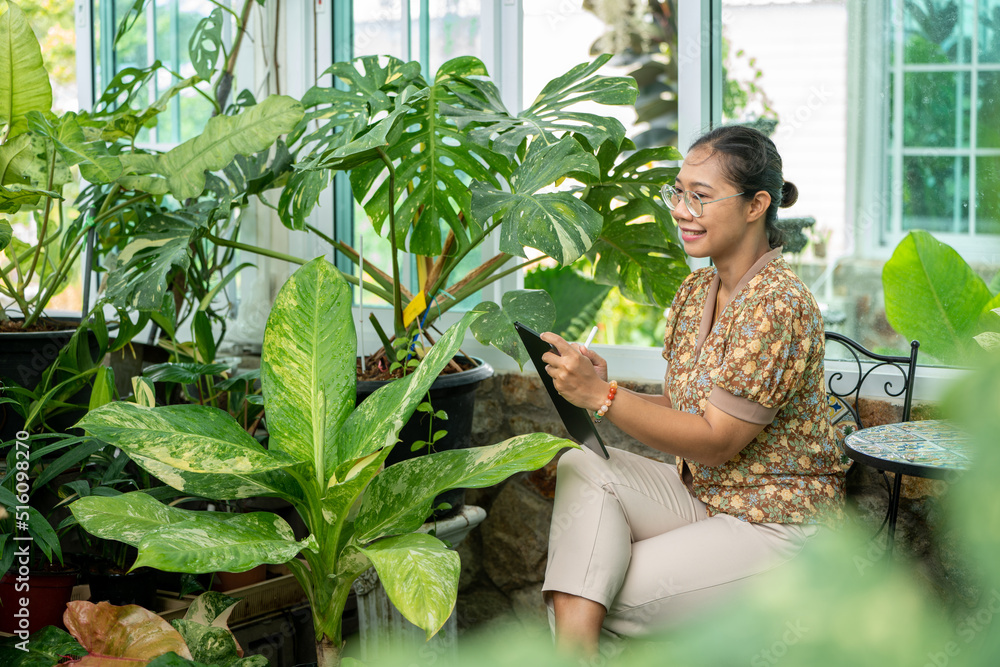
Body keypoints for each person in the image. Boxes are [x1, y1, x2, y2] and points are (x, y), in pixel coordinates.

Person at [538, 125, 848, 655]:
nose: (681, 210)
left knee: (591, 597)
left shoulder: (777, 303)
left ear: (757, 206)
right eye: (677, 193)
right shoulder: (696, 290)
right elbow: (685, 409)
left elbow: (717, 439)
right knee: (580, 466)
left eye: (700, 197)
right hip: (703, 496)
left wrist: (602, 398)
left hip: (775, 526)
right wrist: (603, 385)